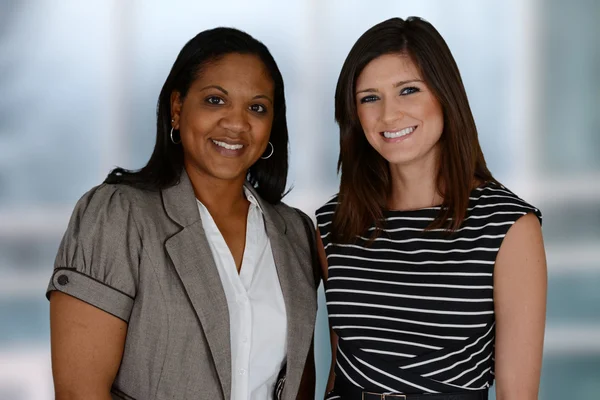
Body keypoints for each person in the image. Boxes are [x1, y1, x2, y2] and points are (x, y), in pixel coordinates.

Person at [47, 27, 319, 400]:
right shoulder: (118, 216)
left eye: (257, 107)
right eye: (215, 100)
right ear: (177, 108)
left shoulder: (296, 234)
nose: (237, 123)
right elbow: (80, 393)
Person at [316, 17, 546, 400]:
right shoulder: (332, 224)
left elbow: (517, 394)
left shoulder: (507, 227)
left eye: (408, 90)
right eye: (369, 98)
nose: (389, 115)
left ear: (444, 94)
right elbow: (341, 367)